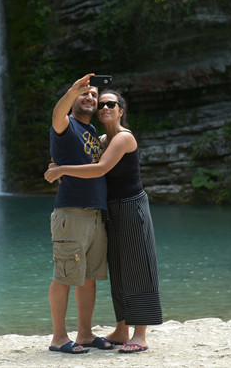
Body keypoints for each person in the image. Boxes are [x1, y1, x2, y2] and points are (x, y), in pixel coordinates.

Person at [44, 89, 163, 354]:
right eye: (103, 104)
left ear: (122, 111)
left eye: (112, 103)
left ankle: (140, 334)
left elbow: (99, 169)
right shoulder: (98, 139)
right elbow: (78, 154)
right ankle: (121, 329)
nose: (105, 107)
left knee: (137, 267)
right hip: (106, 209)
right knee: (118, 270)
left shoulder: (122, 138)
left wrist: (61, 169)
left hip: (131, 208)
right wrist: (59, 162)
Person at [46, 74, 111, 355]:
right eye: (85, 93)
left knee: (88, 277)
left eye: (93, 95)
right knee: (64, 275)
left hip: (96, 214)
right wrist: (73, 90)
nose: (90, 98)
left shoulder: (92, 131)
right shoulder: (66, 125)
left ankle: (84, 333)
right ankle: (59, 338)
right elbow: (58, 112)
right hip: (71, 212)